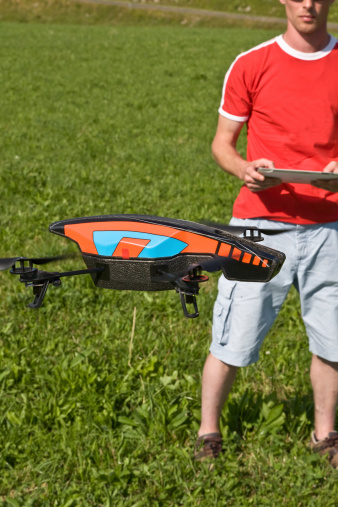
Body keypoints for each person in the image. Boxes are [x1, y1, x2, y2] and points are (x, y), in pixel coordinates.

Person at [195, 0, 338, 468]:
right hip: (259, 227)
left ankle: (325, 436)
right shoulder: (252, 63)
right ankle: (208, 432)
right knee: (232, 336)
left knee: (332, 341)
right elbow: (222, 143)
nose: (309, 5)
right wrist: (243, 169)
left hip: (329, 227)